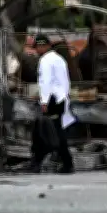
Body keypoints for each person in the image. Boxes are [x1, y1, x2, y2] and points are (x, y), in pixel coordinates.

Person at [29, 34, 76, 174]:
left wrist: (44, 101)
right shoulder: (59, 59)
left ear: (44, 46)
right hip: (60, 98)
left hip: (52, 99)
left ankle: (64, 162)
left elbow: (46, 82)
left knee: (49, 132)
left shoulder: (45, 61)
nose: (37, 50)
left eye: (38, 47)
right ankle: (59, 162)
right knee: (54, 131)